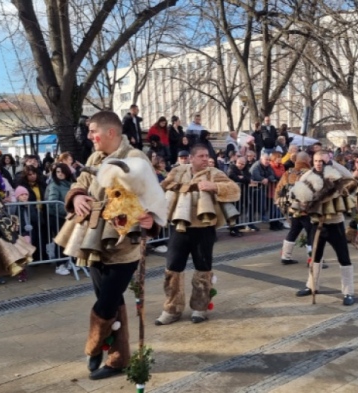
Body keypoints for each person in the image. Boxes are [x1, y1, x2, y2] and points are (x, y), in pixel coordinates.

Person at [63, 110, 166, 379]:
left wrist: (150, 219)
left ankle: (94, 346)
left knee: (106, 304)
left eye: (92, 130)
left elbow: (153, 196)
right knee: (112, 303)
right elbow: (80, 183)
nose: (89, 136)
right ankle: (118, 359)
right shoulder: (94, 157)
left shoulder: (135, 158)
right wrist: (75, 197)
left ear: (110, 132)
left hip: (123, 245)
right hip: (92, 240)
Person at [155, 145, 240, 325]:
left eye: (207, 156)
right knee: (172, 268)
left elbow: (234, 190)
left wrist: (215, 186)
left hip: (204, 228)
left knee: (203, 268)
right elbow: (162, 187)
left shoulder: (213, 172)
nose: (205, 159)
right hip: (179, 227)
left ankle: (200, 308)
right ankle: (172, 309)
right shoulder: (177, 171)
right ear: (191, 158)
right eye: (201, 156)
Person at [293, 151, 358, 306]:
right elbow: (298, 192)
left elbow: (350, 177)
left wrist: (332, 163)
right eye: (315, 160)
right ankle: (311, 286)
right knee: (315, 256)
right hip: (317, 223)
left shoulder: (335, 173)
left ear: (327, 160)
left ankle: (348, 292)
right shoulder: (308, 175)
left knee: (343, 257)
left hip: (335, 223)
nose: (318, 163)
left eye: (321, 161)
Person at [274, 152, 313, 264]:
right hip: (306, 209)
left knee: (293, 231)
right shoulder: (309, 173)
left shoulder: (288, 173)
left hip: (292, 208)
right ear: (307, 160)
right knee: (312, 233)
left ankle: (285, 257)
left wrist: (282, 205)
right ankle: (312, 259)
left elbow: (278, 190)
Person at [46, 162, 74, 275]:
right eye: (57, 172)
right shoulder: (54, 185)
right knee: (60, 240)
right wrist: (66, 211)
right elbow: (53, 202)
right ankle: (59, 264)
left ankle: (68, 261)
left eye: (62, 171)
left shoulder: (71, 183)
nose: (60, 174)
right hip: (58, 217)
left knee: (69, 240)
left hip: (69, 216)